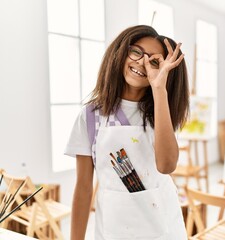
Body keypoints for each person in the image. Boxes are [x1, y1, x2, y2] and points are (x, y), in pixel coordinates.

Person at [65, 25, 189, 240]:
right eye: (136, 52)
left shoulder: (158, 112)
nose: (141, 62)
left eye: (153, 61)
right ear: (121, 52)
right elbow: (84, 187)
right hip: (114, 226)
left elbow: (167, 166)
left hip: (161, 225)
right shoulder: (91, 115)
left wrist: (159, 88)